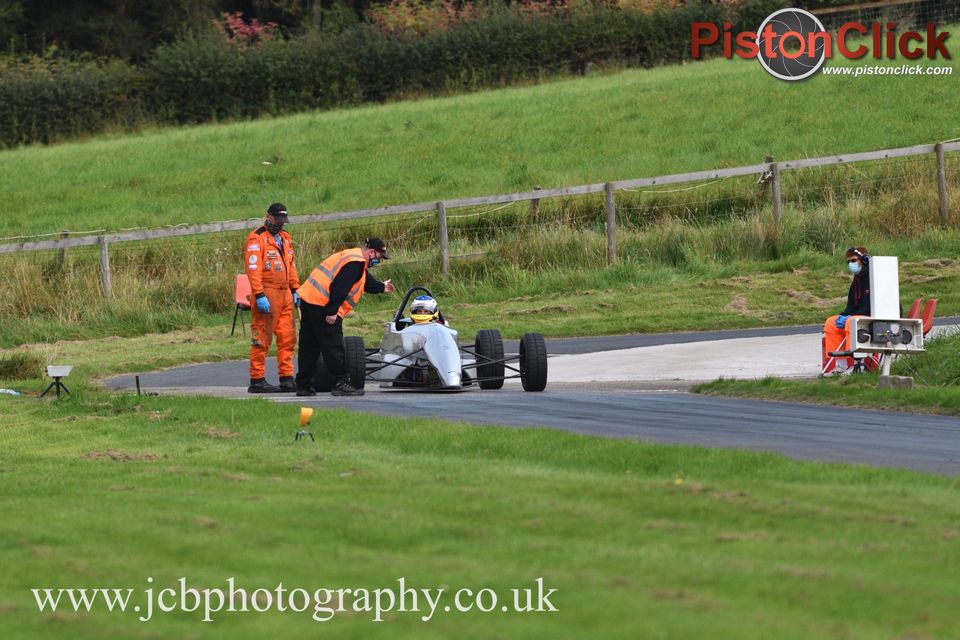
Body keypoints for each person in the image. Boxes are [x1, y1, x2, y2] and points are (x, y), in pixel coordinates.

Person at [295, 237, 396, 396]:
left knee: (309, 345)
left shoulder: (353, 257)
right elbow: (340, 287)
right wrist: (332, 311)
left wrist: (381, 287)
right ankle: (340, 383)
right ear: (371, 252)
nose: (379, 261)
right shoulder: (355, 263)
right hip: (323, 304)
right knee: (333, 345)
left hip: (309, 299)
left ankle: (304, 385)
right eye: (379, 257)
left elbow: (365, 281)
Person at [244, 202, 300, 393]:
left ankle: (287, 378)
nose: (280, 224)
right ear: (268, 216)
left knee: (288, 338)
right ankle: (257, 380)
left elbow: (291, 266)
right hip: (267, 293)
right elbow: (253, 269)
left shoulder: (285, 238)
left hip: (285, 294)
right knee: (261, 337)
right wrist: (259, 294)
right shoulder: (257, 238)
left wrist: (295, 288)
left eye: (283, 220)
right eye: (278, 220)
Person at [822, 246, 871, 374]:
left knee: (851, 322)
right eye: (848, 262)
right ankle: (841, 365)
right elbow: (851, 306)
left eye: (853, 260)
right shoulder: (856, 281)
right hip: (859, 316)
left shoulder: (873, 277)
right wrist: (843, 316)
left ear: (863, 260)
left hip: (873, 317)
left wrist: (849, 317)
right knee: (831, 323)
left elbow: (869, 307)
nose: (851, 264)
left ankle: (858, 364)